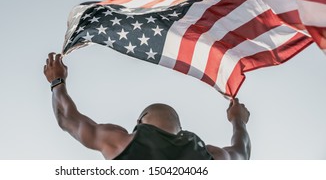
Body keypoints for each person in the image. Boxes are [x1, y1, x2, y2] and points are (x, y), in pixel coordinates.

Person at [44, 53, 251, 160]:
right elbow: (241, 152)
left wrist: (57, 82)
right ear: (179, 127)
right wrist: (237, 120)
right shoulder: (207, 155)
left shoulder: (120, 141)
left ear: (139, 121)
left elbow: (66, 119)